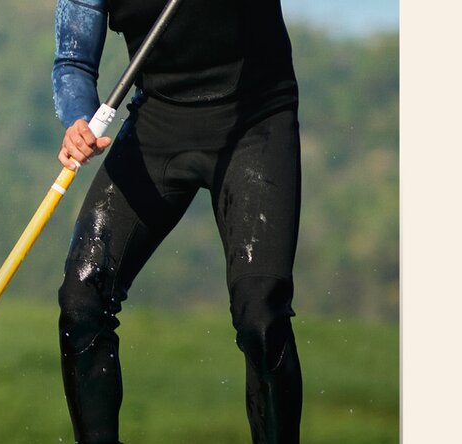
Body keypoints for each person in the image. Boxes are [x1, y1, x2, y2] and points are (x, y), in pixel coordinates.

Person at [51, 0, 303, 442]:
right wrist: (78, 120)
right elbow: (74, 62)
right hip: (158, 125)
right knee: (81, 301)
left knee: (260, 315)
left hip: (255, 122)